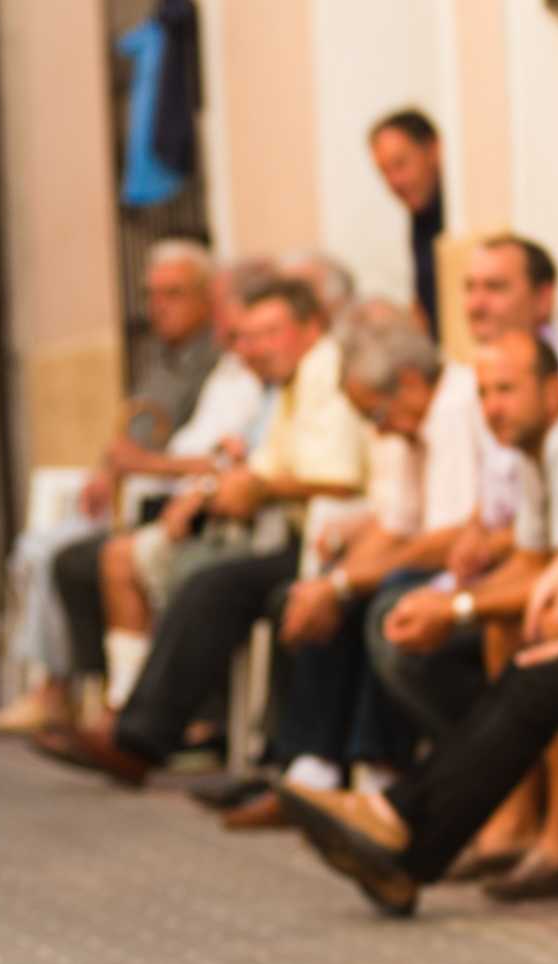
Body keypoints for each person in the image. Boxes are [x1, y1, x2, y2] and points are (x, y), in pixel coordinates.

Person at [280, 284, 558, 915]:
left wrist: (478, 610)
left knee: (541, 664)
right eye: (484, 394)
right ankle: (408, 837)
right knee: (527, 661)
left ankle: (406, 827)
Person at [45, 279, 367, 784]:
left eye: (271, 334)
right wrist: (215, 489)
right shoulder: (291, 383)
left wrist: (254, 489)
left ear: (310, 329)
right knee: (161, 568)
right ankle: (134, 726)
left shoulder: (326, 370)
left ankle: (144, 738)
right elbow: (265, 465)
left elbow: (339, 477)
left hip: (330, 541)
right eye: (250, 336)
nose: (256, 349)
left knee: (210, 586)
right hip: (288, 533)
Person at [222, 303, 490, 829]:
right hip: (441, 562)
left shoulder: (454, 412)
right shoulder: (412, 422)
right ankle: (313, 767)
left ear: (409, 382)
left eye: (376, 414)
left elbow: (449, 537)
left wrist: (344, 583)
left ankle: (381, 774)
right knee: (328, 595)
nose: (378, 428)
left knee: (385, 602)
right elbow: (397, 525)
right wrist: (330, 585)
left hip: (468, 571)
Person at [0, 240, 235, 734]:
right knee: (50, 553)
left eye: (173, 294)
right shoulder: (162, 358)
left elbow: (209, 454)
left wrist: (145, 464)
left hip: (184, 505)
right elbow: (136, 433)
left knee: (99, 560)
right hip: (154, 498)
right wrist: (110, 470)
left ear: (209, 300)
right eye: (153, 295)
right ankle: (82, 694)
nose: (158, 306)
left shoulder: (217, 363)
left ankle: (128, 708)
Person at [369, 108, 444, 339]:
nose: (395, 182)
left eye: (400, 164)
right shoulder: (418, 217)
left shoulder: (459, 210)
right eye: (384, 172)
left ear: (433, 150)